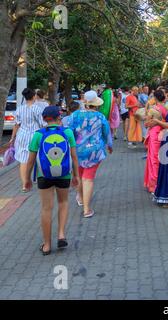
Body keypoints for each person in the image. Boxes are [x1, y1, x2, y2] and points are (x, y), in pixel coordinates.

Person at [24, 106, 79, 255]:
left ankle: (47, 245)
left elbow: (30, 161)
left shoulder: (38, 135)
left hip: (44, 176)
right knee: (63, 202)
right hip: (64, 175)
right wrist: (76, 175)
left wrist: (27, 179)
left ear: (44, 119)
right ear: (59, 117)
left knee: (46, 208)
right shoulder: (67, 132)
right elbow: (74, 157)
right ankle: (61, 234)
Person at [67, 90, 113, 218]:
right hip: (95, 151)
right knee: (88, 178)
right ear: (96, 104)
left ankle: (81, 198)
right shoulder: (100, 117)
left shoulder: (74, 115)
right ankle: (87, 209)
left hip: (77, 151)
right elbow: (106, 133)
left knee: (80, 175)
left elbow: (69, 133)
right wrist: (109, 145)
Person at [9, 88, 46, 192]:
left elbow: (16, 125)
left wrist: (12, 137)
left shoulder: (19, 109)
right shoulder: (37, 109)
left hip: (22, 136)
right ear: (34, 96)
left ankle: (25, 185)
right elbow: (43, 124)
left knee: (23, 161)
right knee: (37, 158)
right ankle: (37, 179)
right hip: (35, 136)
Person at [143, 89, 168, 193]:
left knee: (153, 159)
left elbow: (146, 123)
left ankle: (154, 184)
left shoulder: (153, 110)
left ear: (155, 98)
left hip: (154, 134)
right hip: (164, 133)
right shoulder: (167, 108)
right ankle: (161, 182)